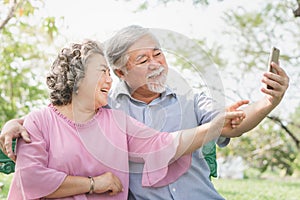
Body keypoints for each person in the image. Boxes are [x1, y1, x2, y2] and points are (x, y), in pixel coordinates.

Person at [0, 25, 289, 199]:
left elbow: (229, 124)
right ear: (121, 71)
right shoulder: (108, 107)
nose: (155, 64)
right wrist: (16, 122)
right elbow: (66, 115)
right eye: (142, 59)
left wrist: (267, 102)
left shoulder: (191, 100)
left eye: (158, 54)